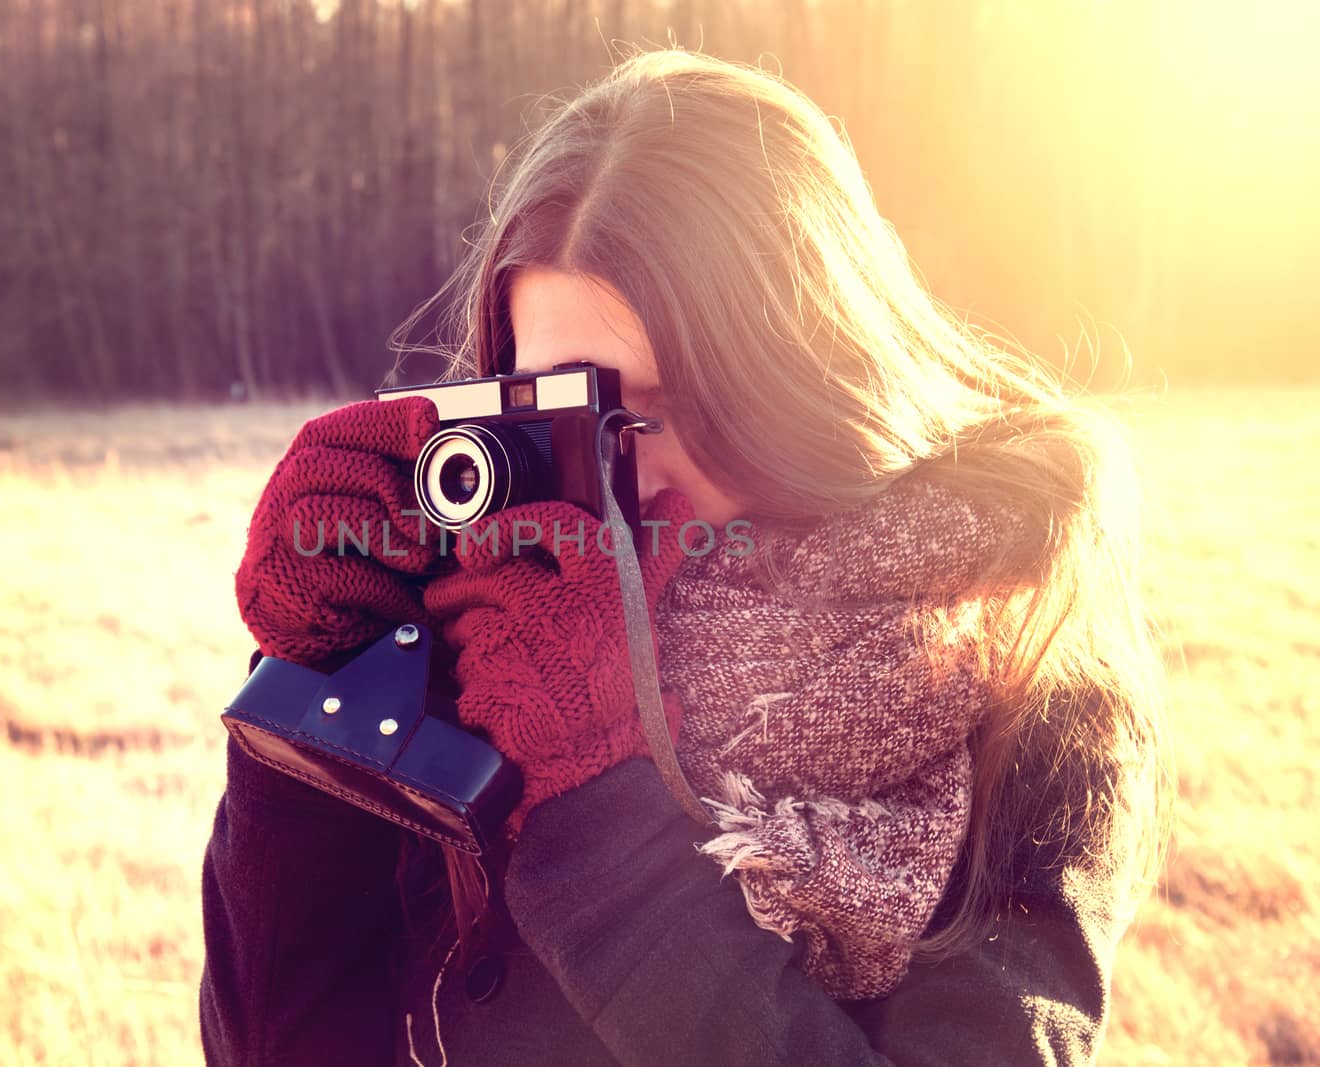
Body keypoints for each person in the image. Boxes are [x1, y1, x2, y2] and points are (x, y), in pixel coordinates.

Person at [199, 47, 1173, 1065]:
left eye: (657, 411)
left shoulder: (1020, 666)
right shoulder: (484, 622)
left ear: (805, 380)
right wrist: (312, 694)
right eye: (559, 408)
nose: (609, 469)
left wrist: (591, 813)